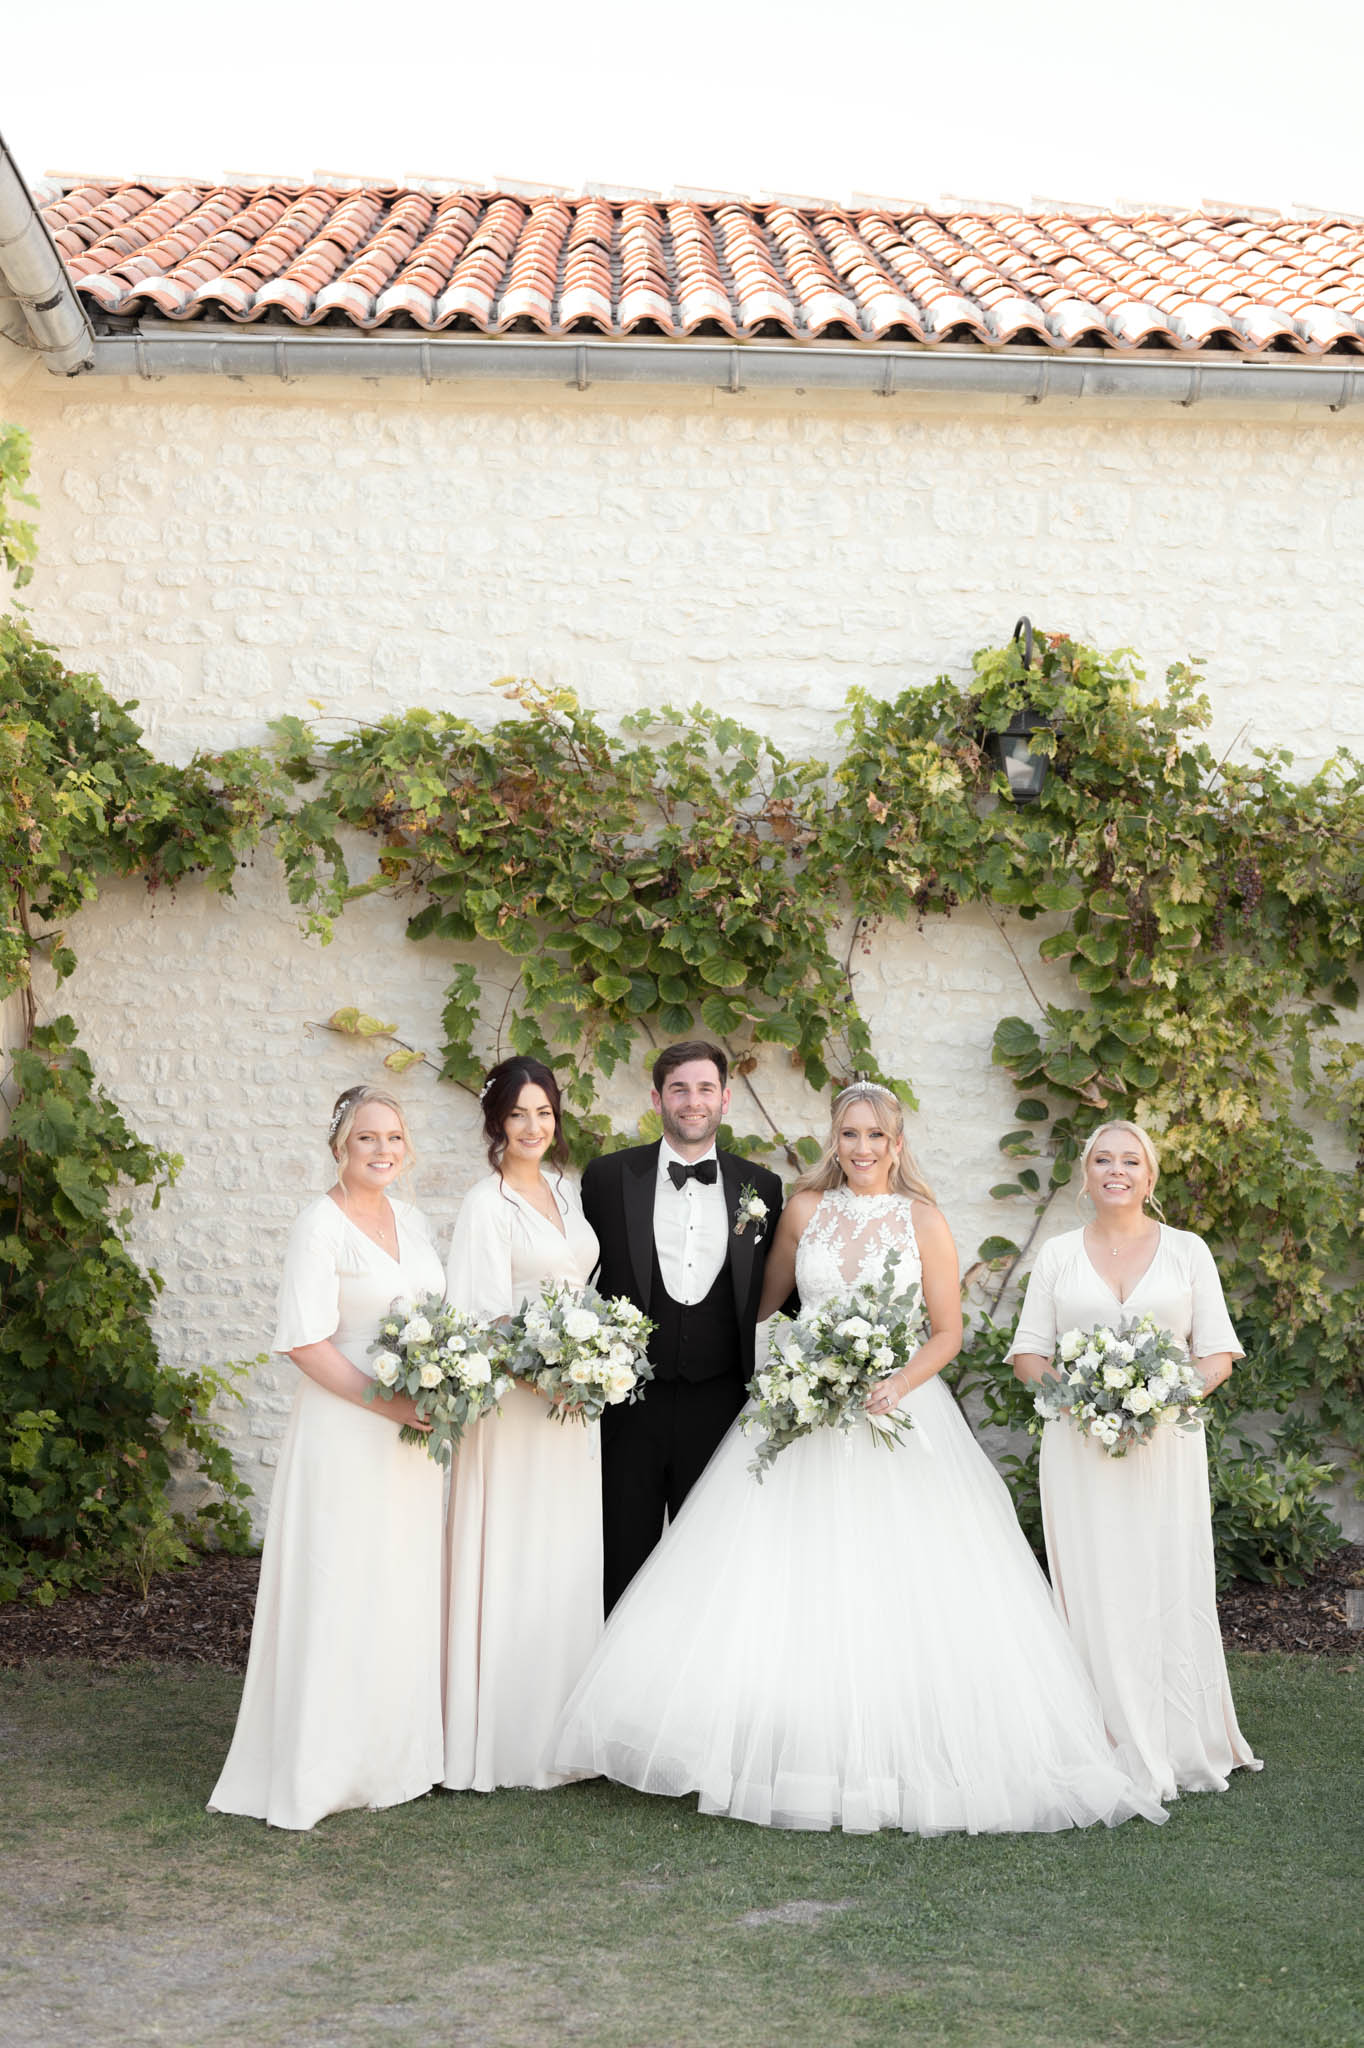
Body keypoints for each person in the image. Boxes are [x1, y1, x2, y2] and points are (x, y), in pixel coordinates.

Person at [551, 1083, 1165, 1834]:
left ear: (898, 1144)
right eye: (850, 1135)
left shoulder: (924, 1220)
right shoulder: (804, 1211)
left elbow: (947, 1332)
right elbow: (763, 1302)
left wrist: (894, 1382)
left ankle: (903, 1740)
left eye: (876, 1136)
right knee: (778, 1577)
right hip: (807, 1410)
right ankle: (777, 1735)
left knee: (897, 1581)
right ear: (834, 1142)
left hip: (894, 1412)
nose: (863, 1149)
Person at [209, 1086, 445, 1831]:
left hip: (410, 1440)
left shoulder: (412, 1219)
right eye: (367, 1138)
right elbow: (307, 1342)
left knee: (396, 1586)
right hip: (348, 1430)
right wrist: (391, 1401)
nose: (382, 1150)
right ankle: (321, 1770)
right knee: (340, 1585)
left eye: (394, 1139)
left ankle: (390, 1763)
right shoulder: (320, 1226)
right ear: (340, 1147)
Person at [1008, 1119, 1262, 1801]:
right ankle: (1097, 1735)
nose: (1115, 1171)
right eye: (1102, 1160)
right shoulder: (1059, 1255)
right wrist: (1075, 1394)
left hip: (1165, 1446)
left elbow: (1217, 1353)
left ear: (1150, 1178)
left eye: (1130, 1161)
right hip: (1078, 1444)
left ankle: (1181, 1738)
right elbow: (1030, 1351)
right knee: (1093, 1581)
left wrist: (1159, 1397)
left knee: (1164, 1577)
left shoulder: (1187, 1251)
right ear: (1085, 1175)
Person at [442, 1057, 602, 1791]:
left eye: (544, 1112)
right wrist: (548, 1373)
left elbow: (582, 1288)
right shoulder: (486, 1204)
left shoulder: (568, 1191)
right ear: (495, 1123)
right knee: (514, 1549)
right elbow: (480, 1314)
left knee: (563, 1556)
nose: (533, 1127)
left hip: (574, 1410)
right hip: (517, 1406)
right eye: (518, 1115)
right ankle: (501, 1738)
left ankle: (562, 1730)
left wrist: (595, 1363)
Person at [580, 1041, 785, 1612]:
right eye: (678, 1089)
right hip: (628, 1408)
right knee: (622, 1559)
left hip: (720, 1406)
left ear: (724, 1097)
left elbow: (781, 1293)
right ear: (656, 1098)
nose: (692, 1102)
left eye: (704, 1089)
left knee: (713, 1564)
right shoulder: (606, 1178)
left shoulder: (761, 1188)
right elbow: (573, 1273)